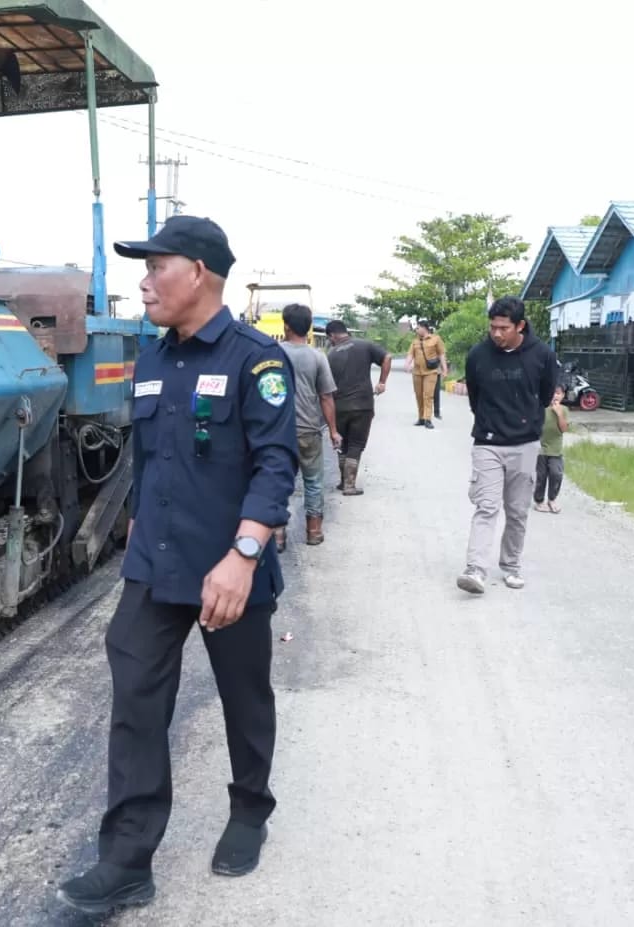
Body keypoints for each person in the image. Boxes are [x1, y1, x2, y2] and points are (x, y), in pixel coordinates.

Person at [55, 216, 297, 916]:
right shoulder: (153, 356)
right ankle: (127, 860)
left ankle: (250, 809)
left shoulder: (256, 359)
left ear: (198, 272)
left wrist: (244, 555)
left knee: (245, 698)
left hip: (229, 569)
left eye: (156, 266)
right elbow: (153, 457)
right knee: (135, 702)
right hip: (156, 568)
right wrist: (134, 530)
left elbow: (276, 463)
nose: (144, 280)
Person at [457, 296, 558, 594]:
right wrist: (491, 422)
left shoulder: (541, 355)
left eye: (503, 328)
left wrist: (525, 422)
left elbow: (545, 394)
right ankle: (475, 569)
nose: (497, 334)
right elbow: (475, 398)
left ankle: (511, 566)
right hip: (487, 442)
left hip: (525, 445)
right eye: (493, 327)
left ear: (520, 326)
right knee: (487, 507)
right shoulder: (478, 355)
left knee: (517, 511)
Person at [276, 303, 340, 547]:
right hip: (309, 431)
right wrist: (333, 431)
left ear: (287, 325)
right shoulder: (317, 357)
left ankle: (278, 536)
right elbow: (326, 396)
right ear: (309, 328)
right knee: (313, 482)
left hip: (278, 432)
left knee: (281, 482)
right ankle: (313, 531)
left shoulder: (273, 352)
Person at [325, 319, 391, 494]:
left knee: (342, 445)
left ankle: (343, 482)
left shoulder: (330, 355)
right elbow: (387, 357)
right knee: (356, 444)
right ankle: (349, 485)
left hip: (339, 407)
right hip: (363, 406)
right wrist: (382, 382)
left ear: (332, 336)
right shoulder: (364, 345)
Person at [533, 385, 569, 514]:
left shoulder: (564, 410)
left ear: (563, 395)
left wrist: (559, 414)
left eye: (558, 393)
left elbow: (564, 429)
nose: (555, 395)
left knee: (556, 473)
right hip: (540, 449)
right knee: (541, 476)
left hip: (555, 449)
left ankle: (552, 499)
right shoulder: (541, 408)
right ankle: (539, 501)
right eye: (552, 392)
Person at [406, 320, 447, 429]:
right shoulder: (415, 342)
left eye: (418, 327)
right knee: (419, 395)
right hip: (417, 372)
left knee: (428, 396)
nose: (416, 330)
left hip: (431, 372)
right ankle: (421, 418)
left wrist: (445, 369)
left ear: (424, 328)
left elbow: (441, 354)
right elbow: (410, 354)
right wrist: (407, 364)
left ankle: (428, 419)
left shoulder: (436, 339)